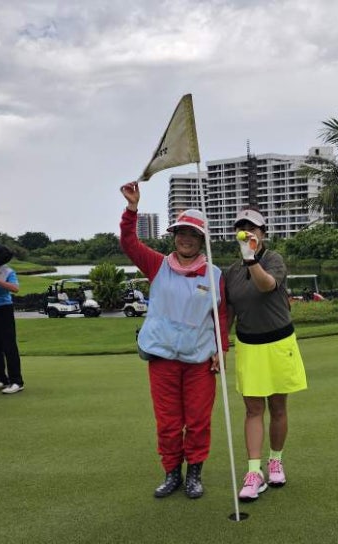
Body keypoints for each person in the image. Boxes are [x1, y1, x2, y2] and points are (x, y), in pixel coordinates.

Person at [119, 182, 228, 500]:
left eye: (192, 234)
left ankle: (194, 472)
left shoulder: (214, 275)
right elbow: (129, 243)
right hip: (162, 356)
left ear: (201, 240)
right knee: (168, 422)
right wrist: (132, 210)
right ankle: (172, 473)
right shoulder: (157, 265)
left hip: (199, 359)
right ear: (174, 236)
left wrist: (222, 348)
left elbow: (220, 316)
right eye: (181, 232)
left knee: (197, 421)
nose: (185, 238)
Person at [224, 208, 308, 502]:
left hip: (279, 342)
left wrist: (252, 259)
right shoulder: (231, 272)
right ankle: (254, 472)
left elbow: (266, 285)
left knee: (279, 407)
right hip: (249, 346)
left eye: (253, 228)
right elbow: (229, 314)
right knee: (253, 410)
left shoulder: (273, 259)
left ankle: (275, 460)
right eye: (242, 227)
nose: (248, 232)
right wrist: (220, 346)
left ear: (263, 233)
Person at [0, 244, 24, 394]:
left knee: (9, 346)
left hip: (4, 309)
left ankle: (17, 382)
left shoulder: (8, 271)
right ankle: (0, 379)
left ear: (1, 262)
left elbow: (15, 288)